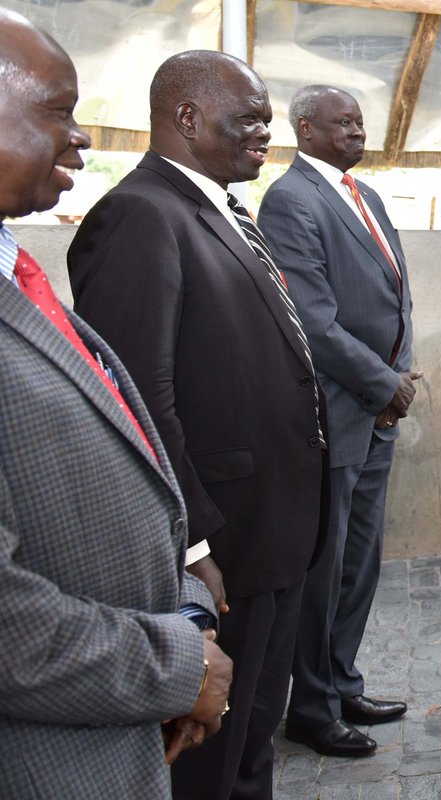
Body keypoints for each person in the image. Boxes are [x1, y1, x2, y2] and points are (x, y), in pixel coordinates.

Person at [67, 50, 327, 800]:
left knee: (252, 735)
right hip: (223, 542)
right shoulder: (139, 215)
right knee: (212, 756)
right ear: (186, 117)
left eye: (268, 121)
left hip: (271, 530)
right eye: (249, 119)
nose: (266, 135)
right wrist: (192, 544)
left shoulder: (221, 209)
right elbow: (136, 401)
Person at [0, 11, 232, 798]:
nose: (81, 137)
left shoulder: (17, 275)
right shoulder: (138, 216)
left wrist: (187, 607)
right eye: (57, 111)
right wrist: (177, 665)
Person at [257, 85, 416, 758]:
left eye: (359, 121)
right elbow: (313, 321)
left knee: (360, 563)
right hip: (335, 412)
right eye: (342, 122)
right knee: (324, 570)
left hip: (379, 412)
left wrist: (398, 377)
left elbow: (395, 298)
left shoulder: (364, 195)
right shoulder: (291, 200)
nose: (356, 131)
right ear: (304, 128)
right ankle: (312, 709)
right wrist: (384, 384)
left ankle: (343, 682)